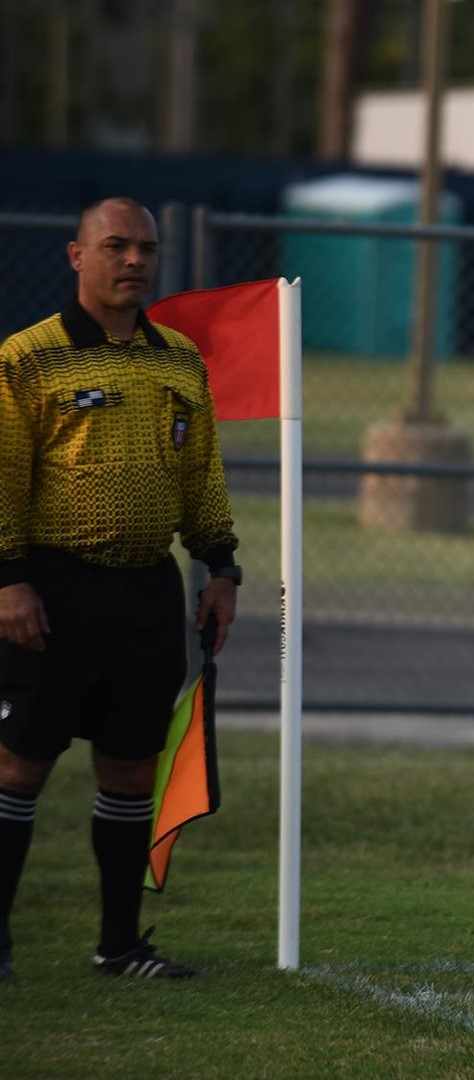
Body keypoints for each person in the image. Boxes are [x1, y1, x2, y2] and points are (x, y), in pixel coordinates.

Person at [0, 197, 241, 982]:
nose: (133, 259)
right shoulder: (26, 359)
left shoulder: (178, 360)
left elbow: (202, 474)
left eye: (145, 247)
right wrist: (9, 581)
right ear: (77, 256)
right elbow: (3, 480)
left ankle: (120, 945)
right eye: (115, 245)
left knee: (133, 767)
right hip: (51, 589)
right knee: (18, 766)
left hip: (146, 594)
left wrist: (222, 568)